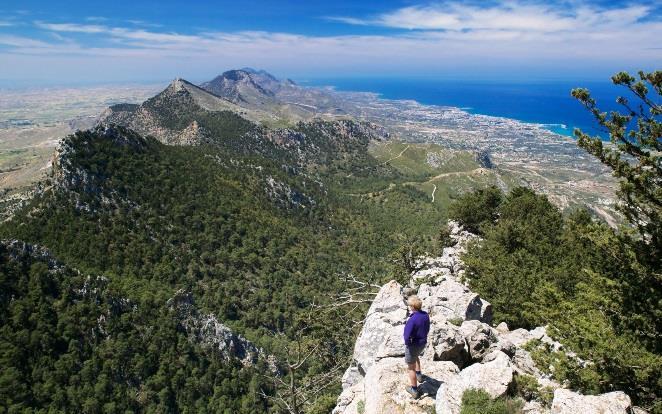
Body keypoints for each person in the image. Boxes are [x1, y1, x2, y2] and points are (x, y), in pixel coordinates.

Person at [403, 295, 430, 399]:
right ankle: (419, 375)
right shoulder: (425, 315)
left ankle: (414, 390)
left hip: (413, 344)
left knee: (411, 368)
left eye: (410, 305)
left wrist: (408, 343)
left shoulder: (412, 320)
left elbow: (406, 335)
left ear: (413, 307)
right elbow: (427, 327)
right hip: (422, 343)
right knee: (416, 356)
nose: (409, 307)